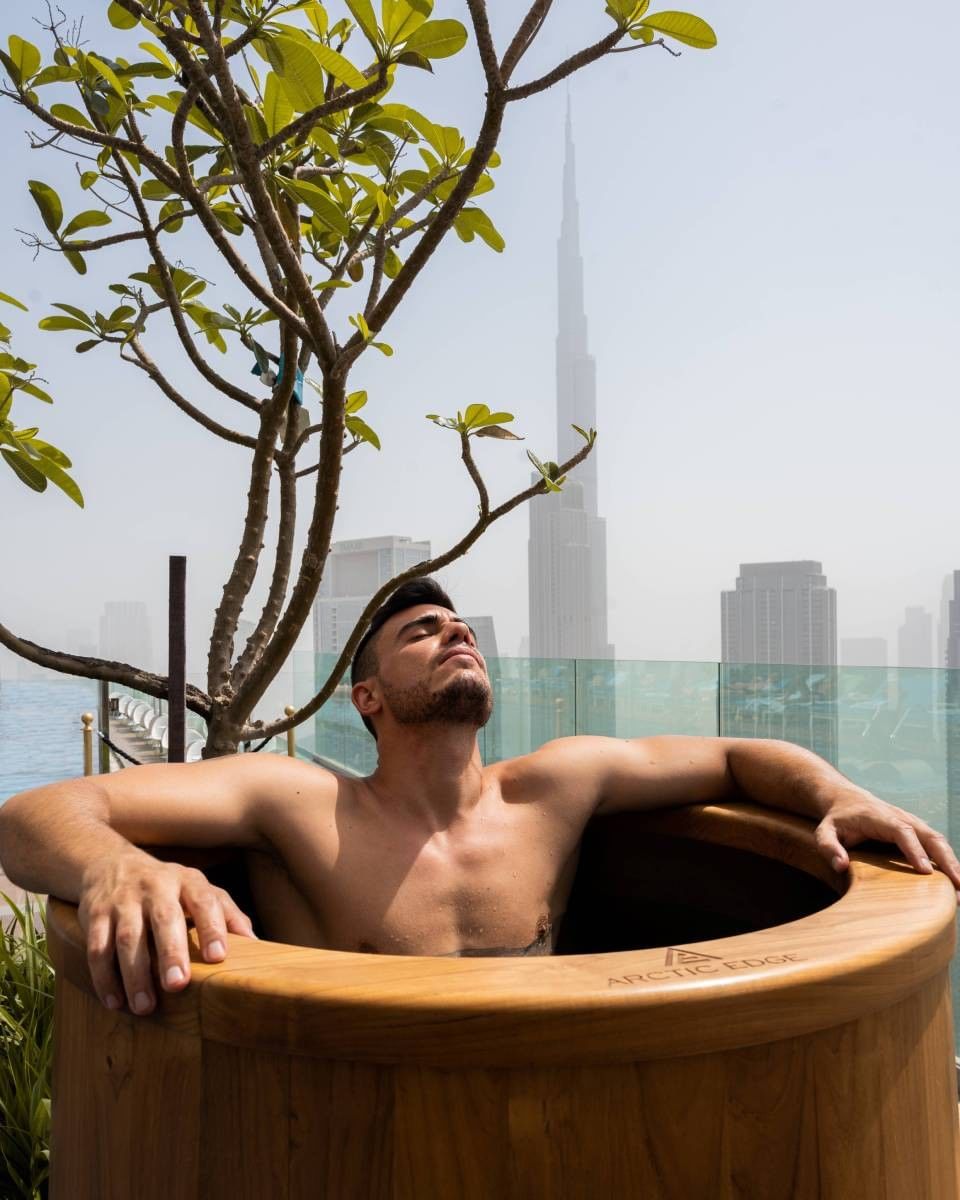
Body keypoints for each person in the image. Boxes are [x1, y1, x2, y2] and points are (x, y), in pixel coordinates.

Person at [1, 578, 958, 1018]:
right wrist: (117, 864)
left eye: (461, 626)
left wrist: (836, 795)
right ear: (366, 699)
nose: (455, 632)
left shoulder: (557, 785)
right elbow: (29, 816)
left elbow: (746, 755)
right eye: (422, 631)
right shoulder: (295, 797)